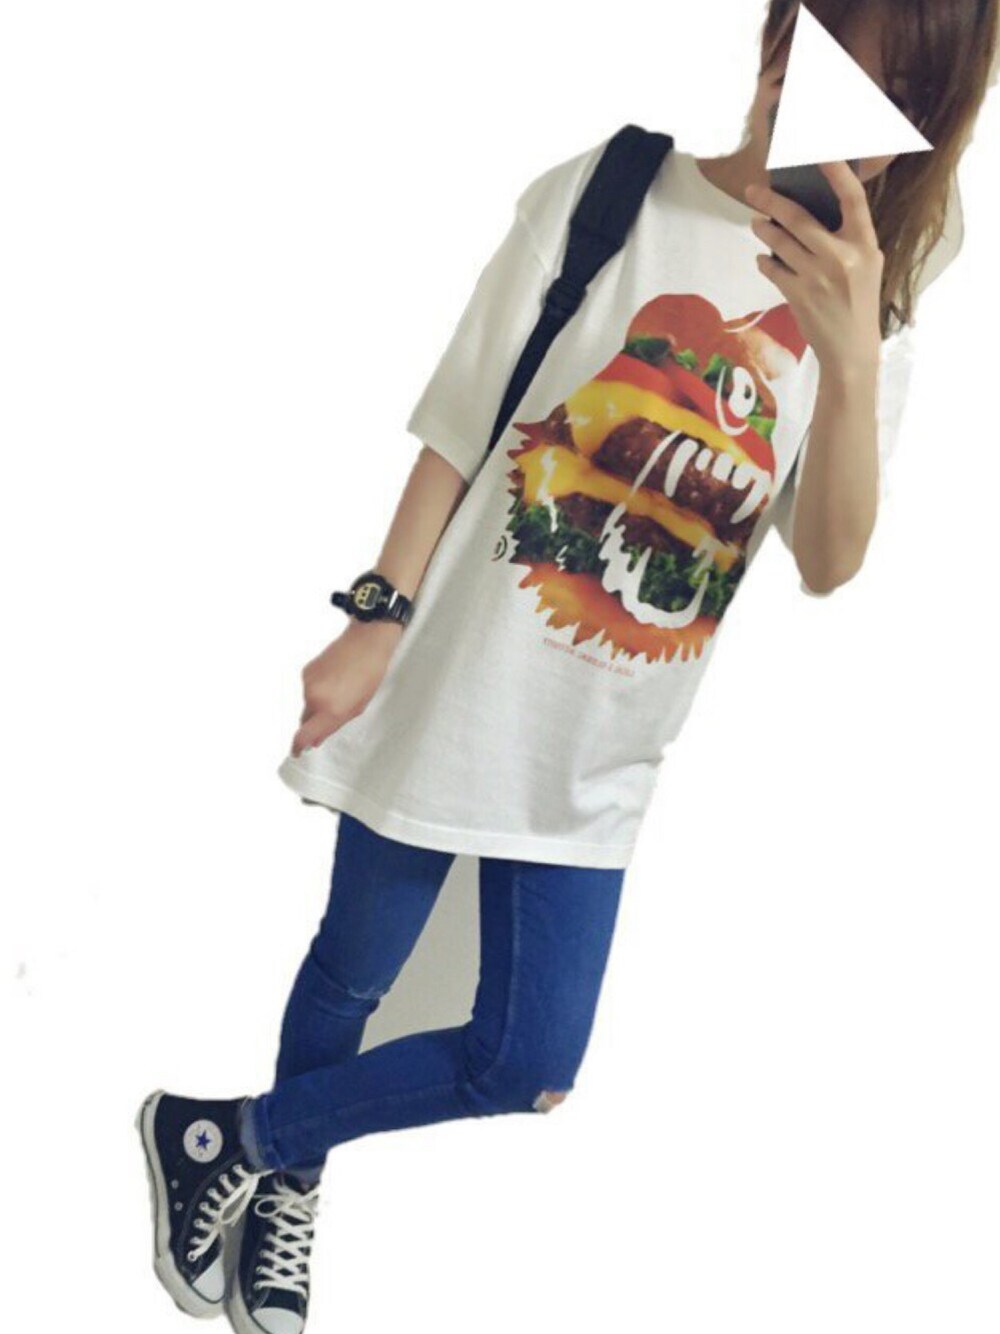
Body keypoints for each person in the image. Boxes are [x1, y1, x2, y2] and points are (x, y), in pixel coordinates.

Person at [136, 3, 998, 1331]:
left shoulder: (866, 320)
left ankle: (231, 1139)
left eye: (893, 113)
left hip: (598, 756)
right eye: (831, 68)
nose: (846, 135)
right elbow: (460, 419)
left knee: (528, 1062)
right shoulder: (612, 192)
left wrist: (845, 350)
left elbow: (830, 559)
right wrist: (375, 614)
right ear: (779, 44)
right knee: (355, 970)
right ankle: (282, 1180)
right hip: (455, 686)